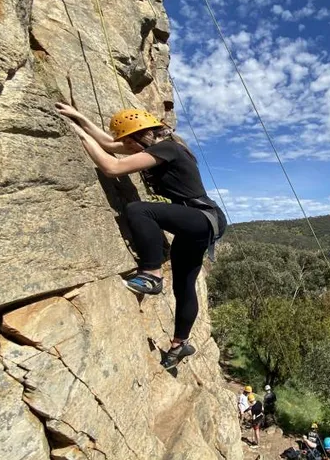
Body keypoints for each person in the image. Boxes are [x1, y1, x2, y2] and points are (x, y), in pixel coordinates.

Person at [55, 104, 226, 370]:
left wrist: (78, 133)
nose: (124, 145)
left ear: (138, 137)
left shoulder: (167, 149)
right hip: (198, 224)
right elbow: (109, 144)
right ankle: (179, 344)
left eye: (127, 141)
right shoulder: (156, 146)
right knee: (183, 286)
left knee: (139, 210)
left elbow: (112, 167)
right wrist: (79, 118)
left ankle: (151, 274)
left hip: (200, 219)